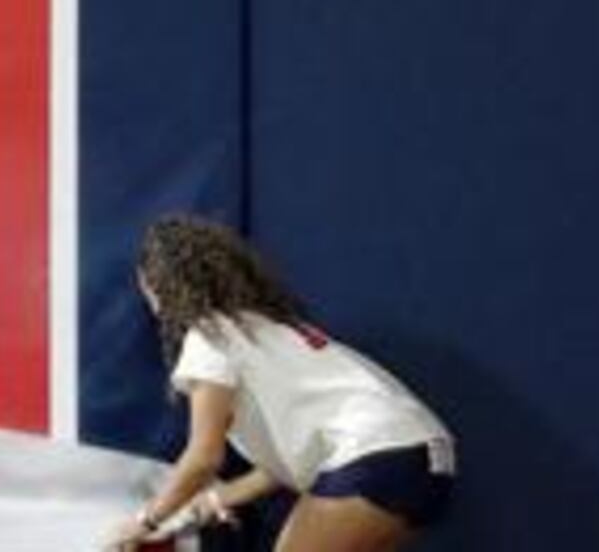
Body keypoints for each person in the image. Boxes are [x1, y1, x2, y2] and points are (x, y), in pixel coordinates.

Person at [112, 215, 459, 549]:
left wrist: (146, 521)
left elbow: (203, 457)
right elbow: (288, 463)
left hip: (376, 456)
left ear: (160, 283)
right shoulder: (267, 329)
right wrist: (217, 498)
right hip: (428, 460)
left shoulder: (209, 336)